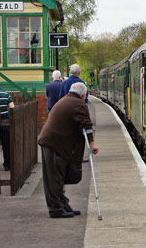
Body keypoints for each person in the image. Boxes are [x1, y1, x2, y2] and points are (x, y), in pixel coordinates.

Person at [38, 82, 99, 218]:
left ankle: (63, 206)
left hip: (52, 142)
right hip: (54, 143)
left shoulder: (66, 100)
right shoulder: (78, 104)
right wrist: (92, 144)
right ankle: (56, 210)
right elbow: (86, 124)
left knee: (58, 177)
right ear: (84, 94)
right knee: (54, 179)